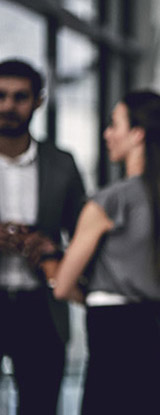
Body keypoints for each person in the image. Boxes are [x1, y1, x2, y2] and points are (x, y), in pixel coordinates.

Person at [46, 90, 160, 415]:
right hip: (159, 334)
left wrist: (47, 257)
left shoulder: (110, 200)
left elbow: (62, 285)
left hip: (115, 340)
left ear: (137, 133)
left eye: (114, 124)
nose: (107, 134)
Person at [0, 58, 86, 415]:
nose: (8, 106)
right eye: (1, 95)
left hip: (42, 305)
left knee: (40, 406)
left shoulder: (61, 163)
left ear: (38, 101)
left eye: (20, 97)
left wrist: (50, 247)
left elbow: (84, 233)